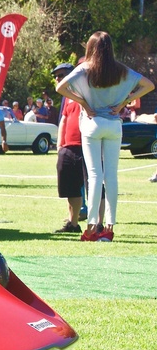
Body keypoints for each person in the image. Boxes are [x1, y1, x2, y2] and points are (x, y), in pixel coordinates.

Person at [56, 31, 155, 242]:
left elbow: (60, 87)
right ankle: (109, 226)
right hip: (113, 124)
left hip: (92, 124)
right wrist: (124, 102)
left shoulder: (85, 69)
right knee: (111, 176)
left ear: (90, 49)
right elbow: (149, 85)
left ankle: (92, 227)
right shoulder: (120, 70)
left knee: (94, 175)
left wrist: (82, 102)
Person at [51, 63, 86, 233]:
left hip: (84, 145)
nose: (58, 78)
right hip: (67, 146)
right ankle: (73, 223)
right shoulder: (66, 96)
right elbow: (64, 119)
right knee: (69, 187)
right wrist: (59, 144)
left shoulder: (84, 91)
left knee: (87, 185)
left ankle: (95, 222)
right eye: (56, 76)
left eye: (61, 75)